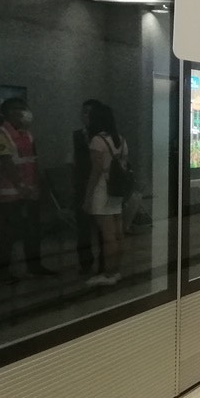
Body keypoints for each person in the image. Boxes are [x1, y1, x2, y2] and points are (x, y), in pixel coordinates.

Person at [0, 98, 54, 279]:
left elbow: (33, 162)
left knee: (33, 232)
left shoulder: (27, 135)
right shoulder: (1, 135)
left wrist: (36, 186)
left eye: (24, 109)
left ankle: (34, 266)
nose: (24, 113)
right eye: (19, 110)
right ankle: (3, 272)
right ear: (9, 114)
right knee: (8, 236)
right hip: (8, 196)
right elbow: (6, 164)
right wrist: (21, 186)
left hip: (29, 193)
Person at [83, 104, 128, 287]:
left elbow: (96, 171)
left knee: (108, 236)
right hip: (117, 190)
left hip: (102, 190)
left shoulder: (97, 141)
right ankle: (116, 270)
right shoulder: (121, 140)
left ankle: (108, 274)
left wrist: (87, 197)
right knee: (118, 234)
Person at [72, 99, 105, 276]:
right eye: (83, 112)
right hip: (82, 185)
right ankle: (85, 264)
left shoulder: (104, 137)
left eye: (89, 113)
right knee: (83, 229)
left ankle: (103, 265)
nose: (85, 116)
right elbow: (75, 162)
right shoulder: (77, 135)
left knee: (102, 229)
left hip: (100, 188)